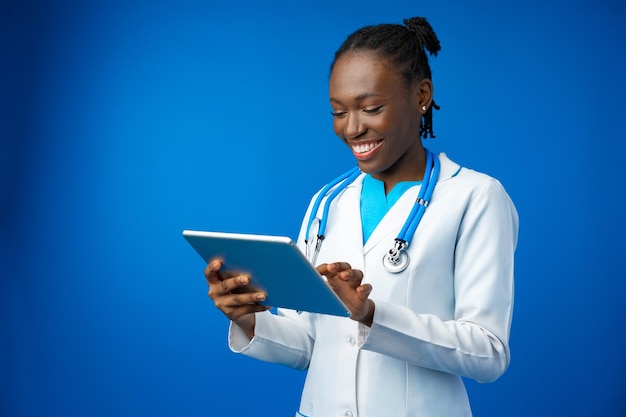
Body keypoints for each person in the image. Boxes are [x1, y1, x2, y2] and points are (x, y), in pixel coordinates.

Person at [204, 16, 519, 417]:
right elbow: (311, 345)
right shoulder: (326, 203)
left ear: (421, 95)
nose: (352, 129)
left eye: (371, 108)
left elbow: (488, 353)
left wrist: (369, 315)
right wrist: (249, 319)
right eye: (339, 112)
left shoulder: (475, 197)